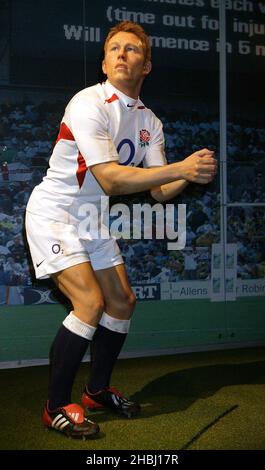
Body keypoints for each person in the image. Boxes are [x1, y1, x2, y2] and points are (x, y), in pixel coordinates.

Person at [25, 20, 217, 439]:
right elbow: (111, 180)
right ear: (104, 60)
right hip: (55, 212)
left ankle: (96, 391)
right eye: (114, 48)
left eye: (131, 49)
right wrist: (179, 168)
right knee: (90, 302)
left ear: (146, 65)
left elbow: (162, 190)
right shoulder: (89, 102)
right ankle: (56, 405)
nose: (121, 54)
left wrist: (190, 172)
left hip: (92, 218)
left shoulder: (150, 121)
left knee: (123, 300)